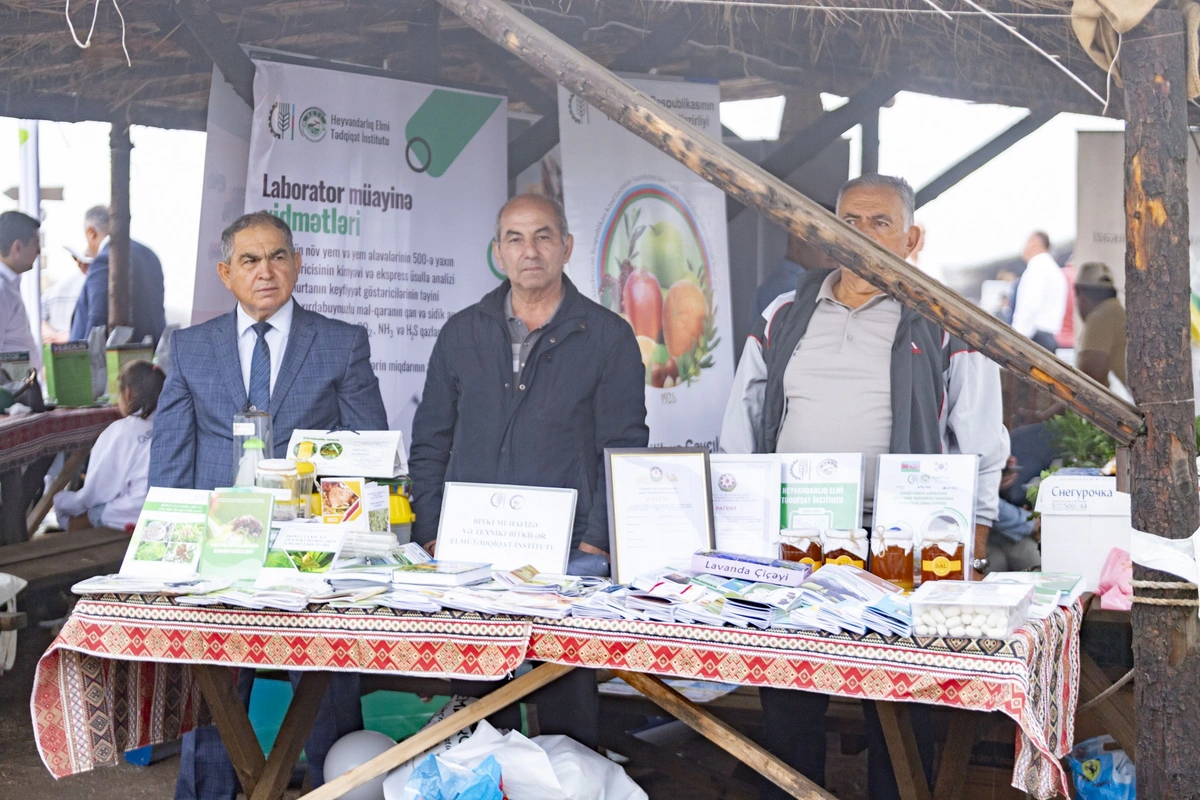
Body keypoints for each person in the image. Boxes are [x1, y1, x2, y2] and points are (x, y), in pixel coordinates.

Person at [721, 173, 1008, 800]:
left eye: (880, 222)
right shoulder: (784, 313)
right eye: (849, 221)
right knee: (790, 694)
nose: (862, 235)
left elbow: (981, 441)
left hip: (903, 540)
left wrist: (976, 545)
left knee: (900, 703)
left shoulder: (948, 320)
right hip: (797, 536)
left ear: (912, 238)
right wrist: (740, 526)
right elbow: (742, 421)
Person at [150, 211, 387, 800]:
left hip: (313, 553)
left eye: (278, 256)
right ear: (225, 272)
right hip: (218, 552)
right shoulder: (191, 347)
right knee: (215, 691)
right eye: (250, 260)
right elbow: (172, 459)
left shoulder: (340, 342)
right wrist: (166, 556)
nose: (266, 271)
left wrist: (347, 545)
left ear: (297, 265)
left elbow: (368, 453)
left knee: (326, 685)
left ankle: (337, 791)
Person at [408, 193, 648, 746]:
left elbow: (623, 448)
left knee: (565, 712)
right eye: (514, 238)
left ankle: (567, 777)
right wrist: (432, 530)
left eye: (543, 236)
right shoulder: (462, 332)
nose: (529, 250)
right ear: (498, 252)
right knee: (477, 714)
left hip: (567, 555)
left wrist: (596, 542)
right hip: (471, 550)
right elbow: (431, 441)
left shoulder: (607, 336)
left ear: (566, 246)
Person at [54, 360, 163, 531]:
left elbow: (97, 492)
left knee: (80, 516)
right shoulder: (173, 426)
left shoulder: (121, 431)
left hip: (135, 514)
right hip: (173, 508)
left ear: (127, 393)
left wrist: (61, 501)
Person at [70, 205, 167, 345]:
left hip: (117, 354)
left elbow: (97, 325)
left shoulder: (104, 260)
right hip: (151, 350)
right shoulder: (149, 255)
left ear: (91, 233)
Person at [749, 205, 837, 325]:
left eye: (838, 243)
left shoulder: (796, 285)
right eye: (825, 239)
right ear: (798, 239)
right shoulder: (787, 289)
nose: (834, 250)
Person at [1010, 231, 1066, 351]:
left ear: (1033, 244)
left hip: (1034, 337)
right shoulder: (1054, 269)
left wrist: (1017, 338)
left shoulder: (1037, 268)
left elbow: (1029, 304)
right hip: (1049, 337)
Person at [0, 211, 42, 370]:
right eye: (35, 244)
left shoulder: (9, 285)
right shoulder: (2, 290)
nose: (39, 251)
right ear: (18, 247)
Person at [41, 248, 90, 344]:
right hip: (83, 344)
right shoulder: (97, 284)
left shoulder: (53, 289)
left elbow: (36, 318)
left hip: (56, 345)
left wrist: (52, 335)